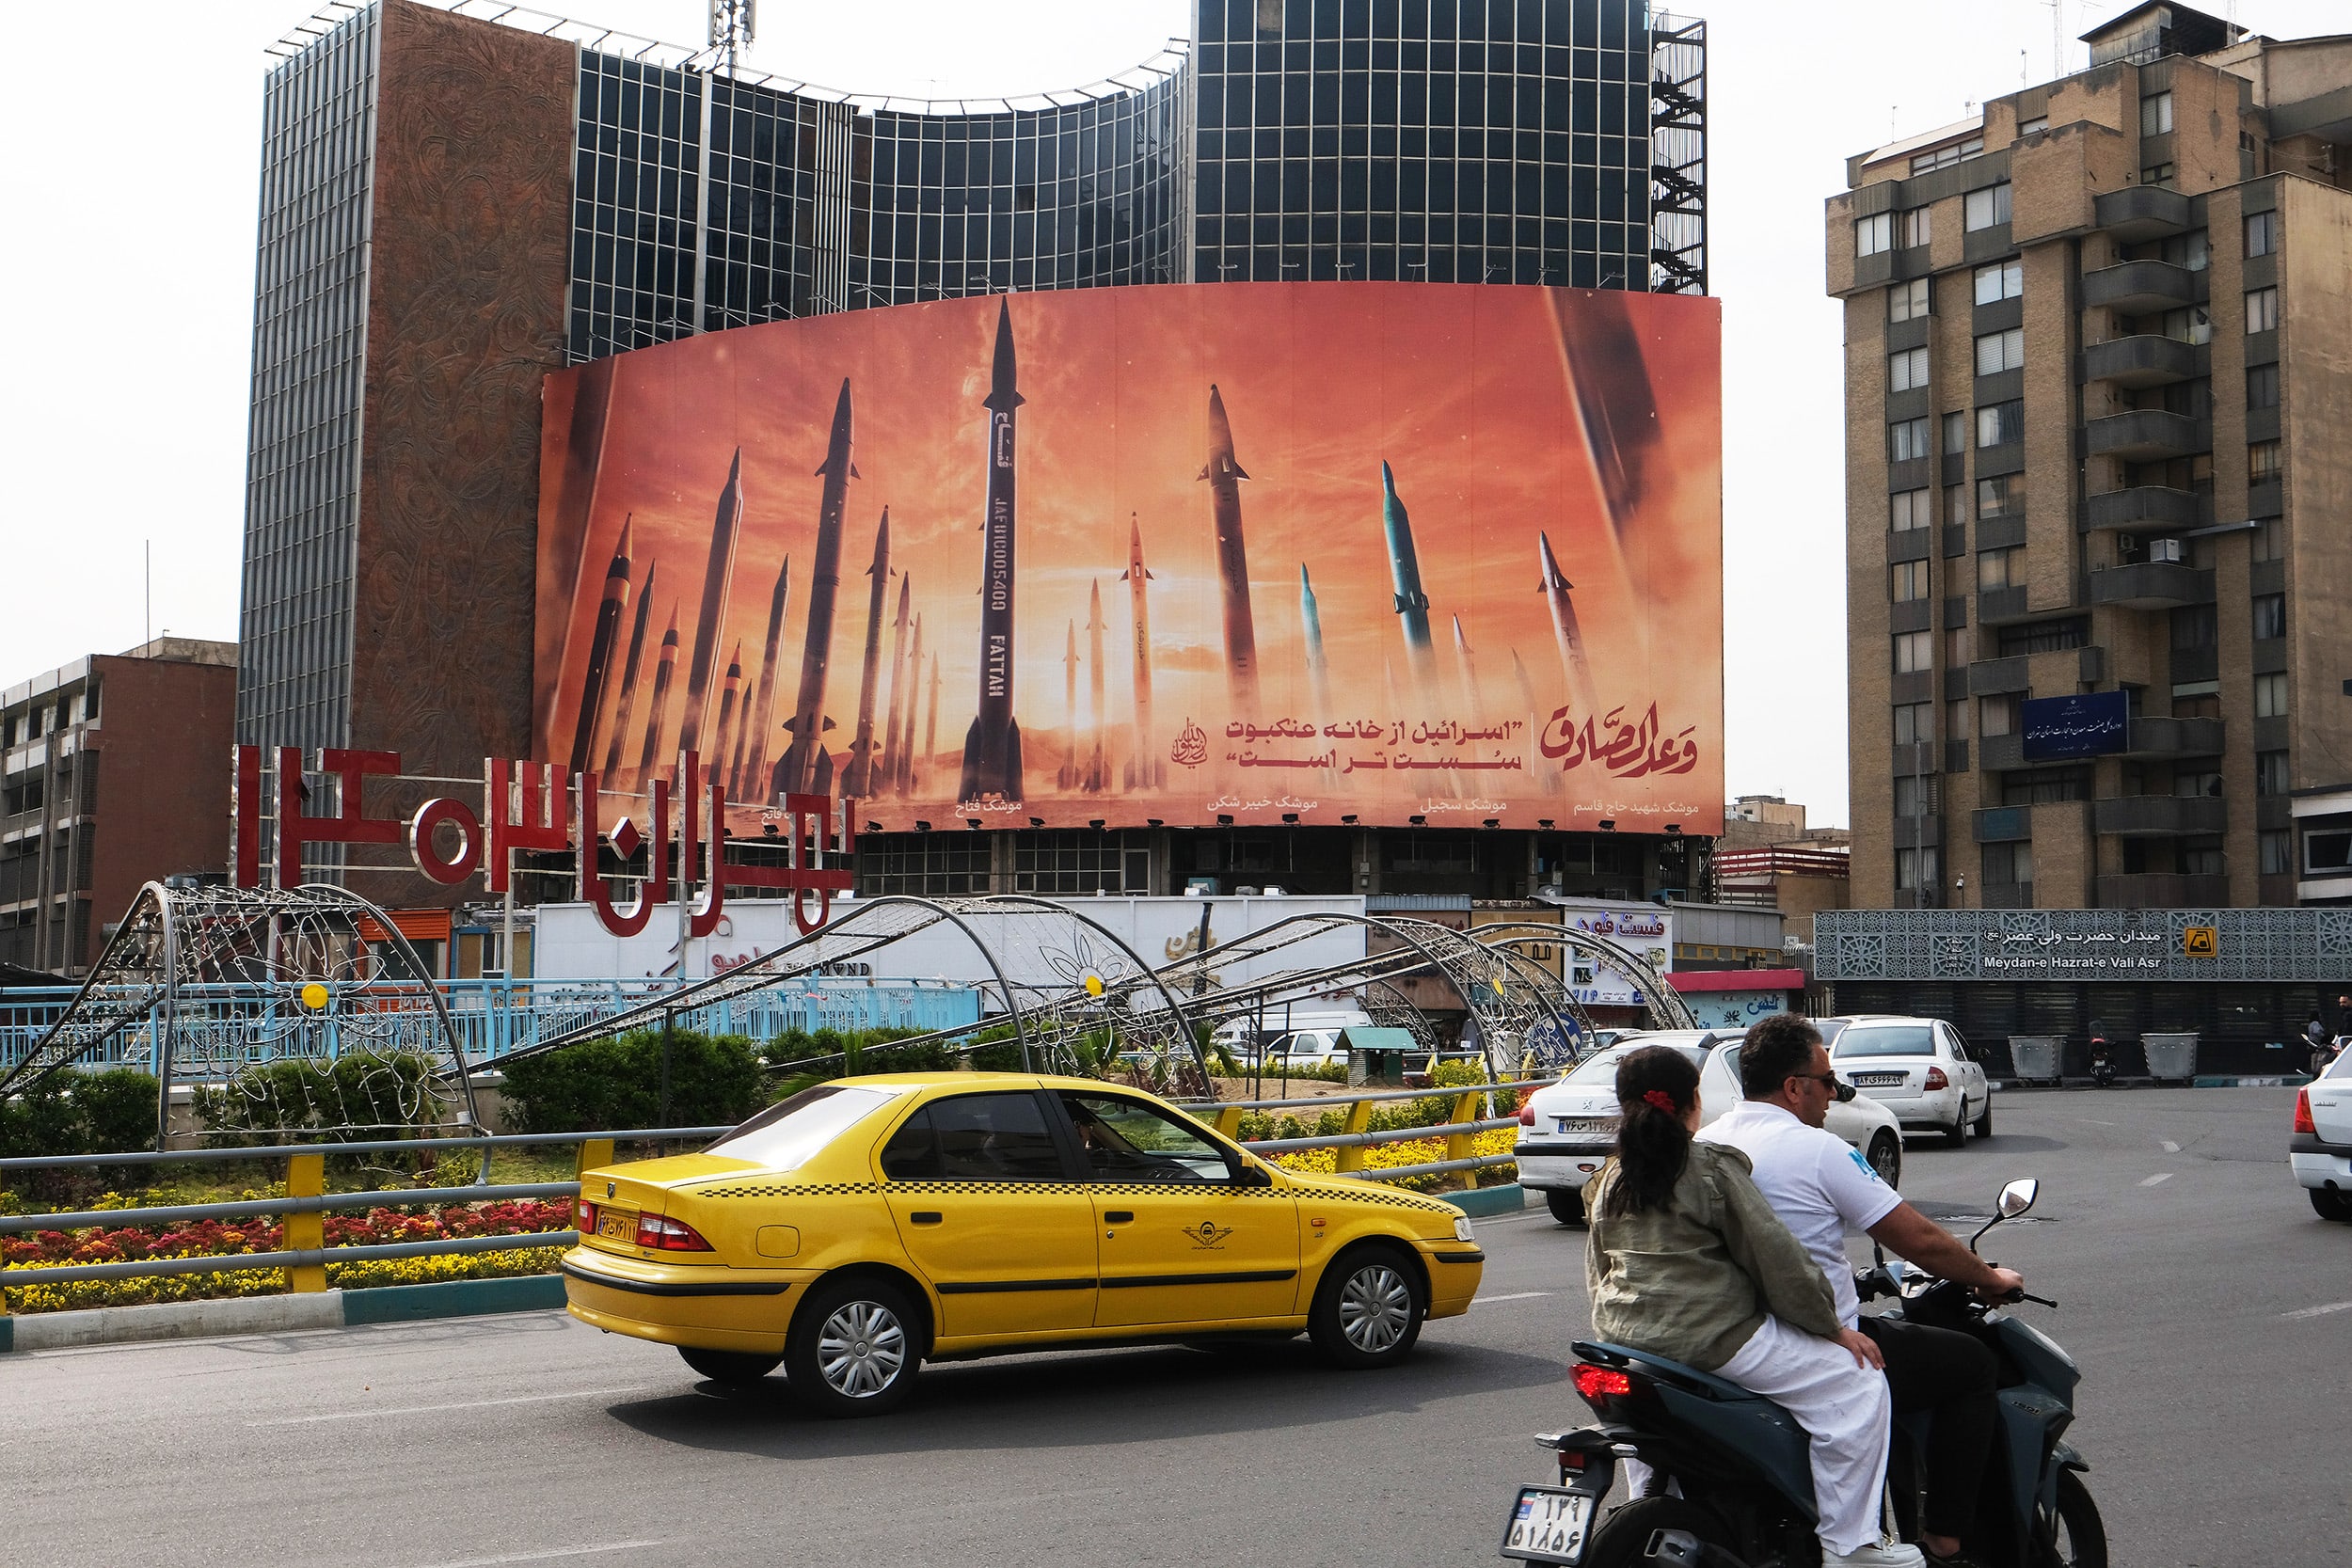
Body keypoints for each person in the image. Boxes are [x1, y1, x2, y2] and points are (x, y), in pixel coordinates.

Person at [1582, 1044, 1924, 1568]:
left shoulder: (1609, 1179)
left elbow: (1598, 1270)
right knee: (1858, 1381)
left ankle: (1645, 1512)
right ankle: (1850, 1545)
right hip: (1711, 1339)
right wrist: (1833, 1329)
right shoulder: (1708, 1169)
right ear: (1692, 1102)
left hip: (1624, 1342)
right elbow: (1776, 1261)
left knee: (1641, 1429)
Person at [1701, 1015, 2022, 1568]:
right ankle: (1942, 1542)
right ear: (1794, 1087)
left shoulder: (1707, 1142)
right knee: (1973, 1364)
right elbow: (1916, 1238)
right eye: (1828, 1081)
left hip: (1729, 1336)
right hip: (1813, 1336)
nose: (1835, 1094)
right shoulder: (1818, 1149)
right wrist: (1989, 1278)